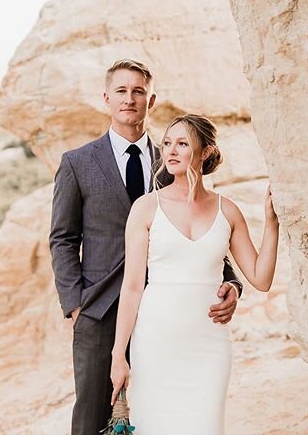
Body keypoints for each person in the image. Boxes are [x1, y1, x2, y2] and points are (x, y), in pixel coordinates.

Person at [49, 60, 243, 435]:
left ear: (150, 100)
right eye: (121, 91)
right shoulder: (77, 163)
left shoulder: (174, 157)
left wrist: (231, 283)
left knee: (161, 415)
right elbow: (63, 238)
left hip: (164, 314)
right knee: (93, 418)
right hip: (100, 309)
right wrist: (76, 306)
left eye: (138, 91)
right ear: (106, 98)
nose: (129, 99)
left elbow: (203, 229)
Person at [110, 113, 279, 435]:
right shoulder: (145, 208)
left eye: (183, 143)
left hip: (209, 344)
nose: (171, 151)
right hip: (155, 341)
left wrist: (272, 223)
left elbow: (261, 278)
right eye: (168, 143)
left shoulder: (227, 210)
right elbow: (131, 288)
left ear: (205, 153)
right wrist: (120, 355)